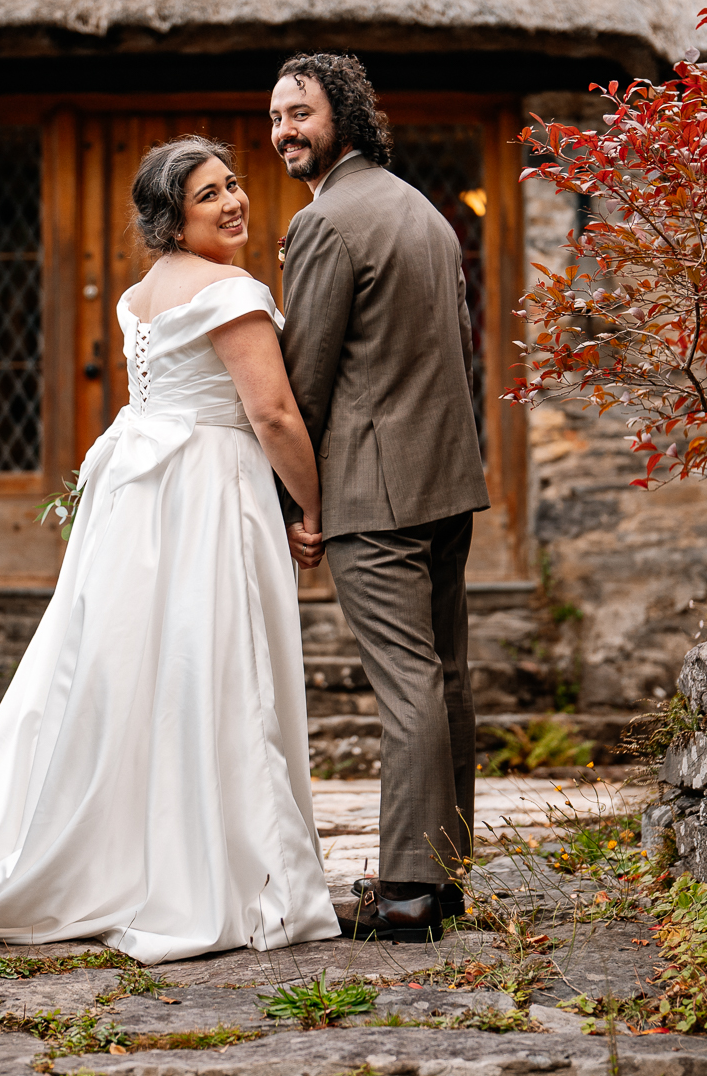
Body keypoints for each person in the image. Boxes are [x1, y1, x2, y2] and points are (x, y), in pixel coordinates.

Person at [0, 135, 340, 964]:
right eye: (210, 194)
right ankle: (216, 872)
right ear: (173, 218)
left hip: (144, 506)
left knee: (136, 676)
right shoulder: (231, 291)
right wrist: (311, 508)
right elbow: (275, 416)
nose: (235, 201)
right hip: (210, 499)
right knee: (212, 672)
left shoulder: (138, 298)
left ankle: (124, 856)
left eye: (235, 184)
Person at [271, 53, 491, 943]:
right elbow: (457, 352)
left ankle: (403, 897)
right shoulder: (426, 214)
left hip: (374, 487)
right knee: (444, 681)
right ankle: (443, 882)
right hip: (445, 478)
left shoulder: (326, 222)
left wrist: (298, 503)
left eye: (300, 112)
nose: (284, 128)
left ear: (347, 118)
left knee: (406, 688)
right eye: (276, 115)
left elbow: (305, 383)